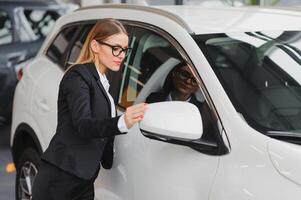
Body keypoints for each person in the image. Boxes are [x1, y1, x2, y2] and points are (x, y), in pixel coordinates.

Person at [31, 19, 148, 200]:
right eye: (116, 48)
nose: (121, 55)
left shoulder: (103, 81)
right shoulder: (77, 76)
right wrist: (122, 122)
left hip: (84, 178)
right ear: (95, 45)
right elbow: (84, 124)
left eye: (125, 50)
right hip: (61, 178)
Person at [146, 62, 214, 139]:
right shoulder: (153, 98)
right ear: (174, 73)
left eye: (194, 80)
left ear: (198, 87)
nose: (188, 81)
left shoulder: (200, 112)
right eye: (184, 74)